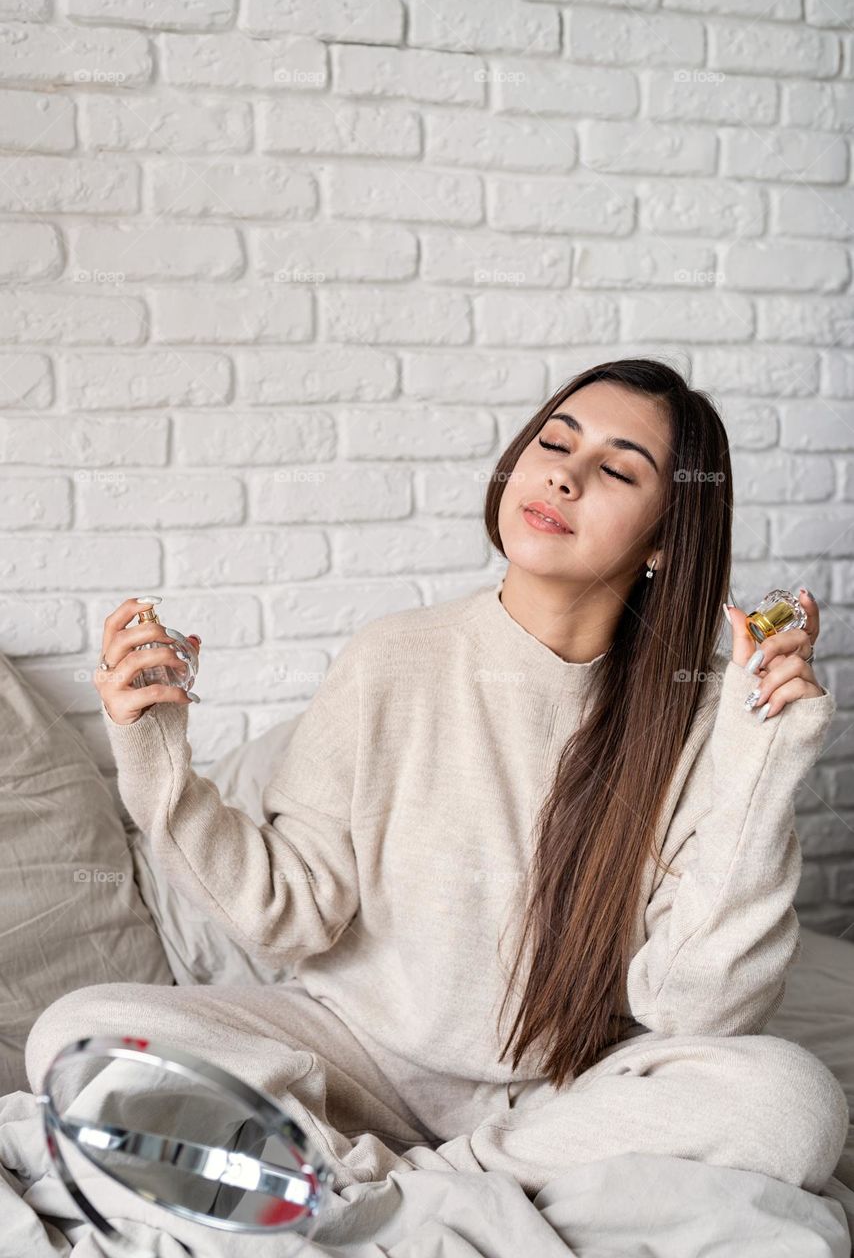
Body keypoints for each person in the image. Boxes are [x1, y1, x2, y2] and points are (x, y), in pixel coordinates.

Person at [26, 358, 849, 1201]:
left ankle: (426, 1182)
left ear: (665, 540)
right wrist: (156, 751)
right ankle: (454, 1177)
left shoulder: (705, 715)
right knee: (75, 1033)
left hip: (566, 1092)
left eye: (614, 469)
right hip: (355, 1061)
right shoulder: (393, 656)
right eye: (553, 442)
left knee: (792, 1104)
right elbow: (289, 910)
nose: (562, 474)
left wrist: (763, 756)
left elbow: (695, 1009)